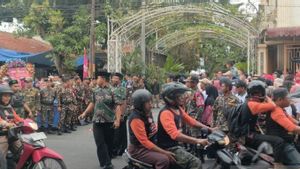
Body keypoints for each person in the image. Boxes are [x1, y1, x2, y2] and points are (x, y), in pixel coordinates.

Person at [157, 82, 213, 169]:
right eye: (179, 96)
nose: (182, 97)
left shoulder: (178, 108)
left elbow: (191, 121)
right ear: (171, 98)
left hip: (177, 145)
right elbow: (175, 135)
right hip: (169, 148)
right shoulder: (166, 113)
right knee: (195, 163)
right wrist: (197, 140)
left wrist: (209, 129)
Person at [79, 71, 123, 169]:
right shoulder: (95, 90)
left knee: (109, 143)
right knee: (100, 142)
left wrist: (118, 120)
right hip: (97, 121)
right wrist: (85, 113)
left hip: (109, 121)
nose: (96, 80)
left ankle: (106, 162)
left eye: (98, 78)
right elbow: (92, 103)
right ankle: (107, 163)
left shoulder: (113, 91)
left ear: (103, 79)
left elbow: (117, 106)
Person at [241, 80, 287, 164]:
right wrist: (267, 98)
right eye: (262, 92)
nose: (263, 94)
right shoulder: (252, 104)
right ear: (258, 93)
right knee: (279, 141)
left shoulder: (249, 102)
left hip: (248, 134)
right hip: (249, 136)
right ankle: (278, 166)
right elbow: (273, 105)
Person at [128, 89, 176, 169]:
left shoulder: (147, 112)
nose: (151, 104)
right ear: (140, 104)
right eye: (148, 102)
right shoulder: (136, 119)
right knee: (163, 160)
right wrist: (164, 152)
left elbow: (153, 127)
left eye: (151, 101)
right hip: (139, 149)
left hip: (152, 143)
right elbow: (144, 142)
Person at [265, 88, 300, 165]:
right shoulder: (276, 111)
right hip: (283, 144)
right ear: (280, 99)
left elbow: (294, 122)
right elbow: (293, 128)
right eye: (288, 98)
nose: (290, 99)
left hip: (288, 141)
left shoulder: (281, 109)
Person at [0, 85, 23, 169]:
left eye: (9, 96)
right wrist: (4, 123)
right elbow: (1, 121)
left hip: (11, 135)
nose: (7, 98)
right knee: (1, 159)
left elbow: (17, 118)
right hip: (1, 135)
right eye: (5, 96)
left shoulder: (9, 107)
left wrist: (26, 122)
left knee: (22, 151)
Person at [111, 72, 127, 156]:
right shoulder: (111, 88)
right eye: (113, 78)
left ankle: (118, 150)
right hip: (112, 114)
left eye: (115, 78)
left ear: (119, 80)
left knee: (120, 133)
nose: (113, 79)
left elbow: (123, 102)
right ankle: (116, 149)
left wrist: (121, 115)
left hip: (120, 113)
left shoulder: (122, 89)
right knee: (115, 133)